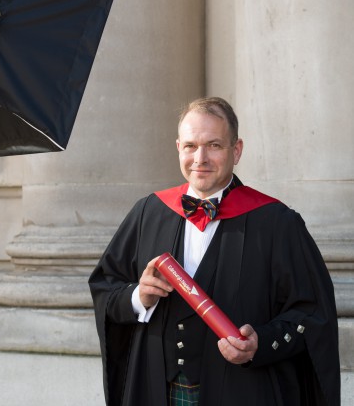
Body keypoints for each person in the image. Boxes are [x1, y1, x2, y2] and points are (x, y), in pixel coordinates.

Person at [89, 97, 340, 406]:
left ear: (237, 150)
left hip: (243, 392)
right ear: (178, 147)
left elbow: (312, 315)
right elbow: (105, 288)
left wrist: (261, 342)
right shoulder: (147, 212)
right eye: (191, 146)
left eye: (214, 145)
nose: (200, 158)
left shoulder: (277, 223)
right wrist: (138, 297)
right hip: (158, 392)